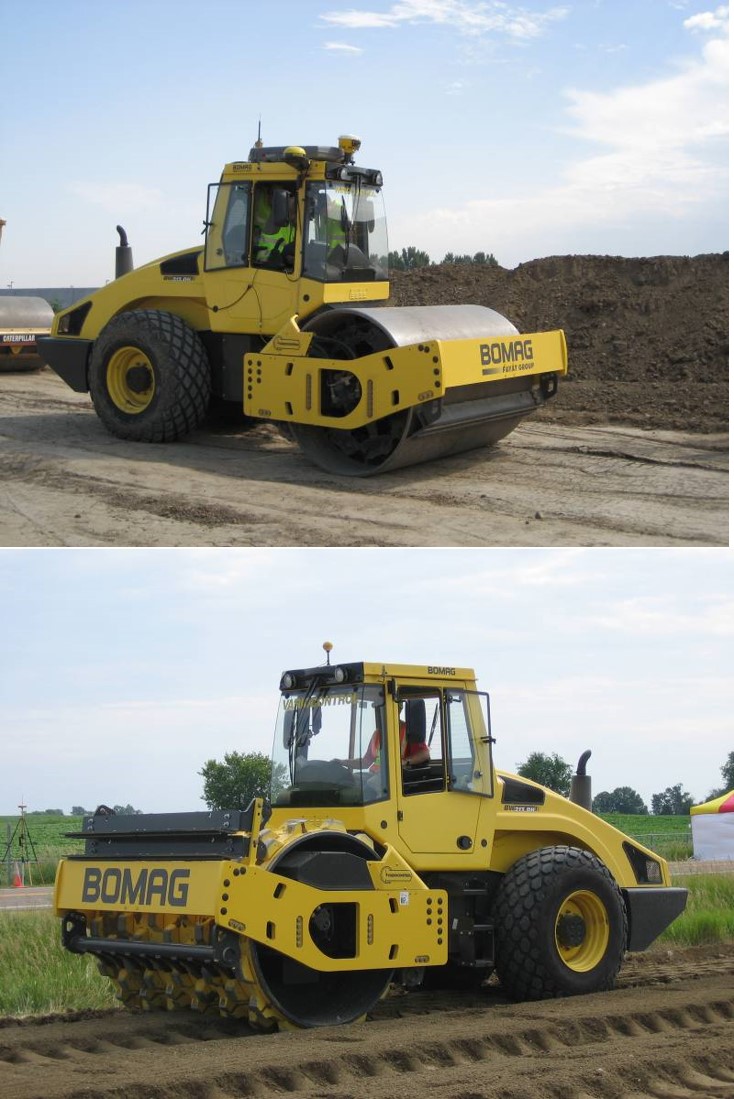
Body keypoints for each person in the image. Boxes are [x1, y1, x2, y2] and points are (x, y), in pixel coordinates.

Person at [252, 185, 296, 268]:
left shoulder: (289, 222)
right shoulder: (271, 218)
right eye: (272, 194)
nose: (273, 198)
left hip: (282, 266)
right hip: (264, 265)